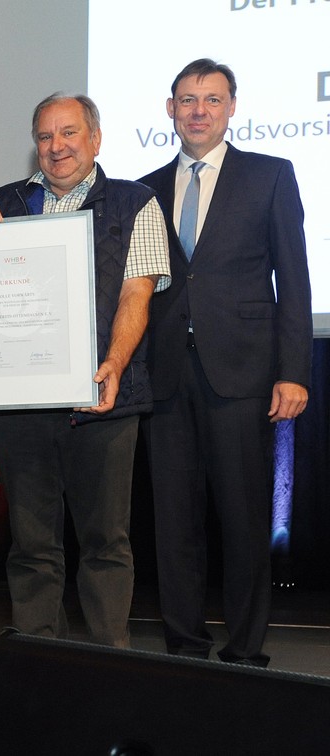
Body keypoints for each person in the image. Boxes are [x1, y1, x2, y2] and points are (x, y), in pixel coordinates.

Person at [0, 94, 170, 648]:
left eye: (69, 133)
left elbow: (136, 295)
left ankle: (108, 665)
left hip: (104, 400)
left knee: (104, 543)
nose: (57, 147)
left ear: (95, 139)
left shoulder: (135, 201)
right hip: (23, 404)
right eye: (46, 137)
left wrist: (114, 364)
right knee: (31, 546)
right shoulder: (7, 201)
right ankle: (40, 662)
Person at [140, 59, 312, 666]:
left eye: (212, 99)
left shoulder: (270, 176)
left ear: (232, 107)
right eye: (187, 99)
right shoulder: (147, 187)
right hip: (164, 376)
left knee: (242, 521)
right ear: (170, 109)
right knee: (174, 523)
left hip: (242, 374)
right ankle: (184, 645)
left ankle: (245, 652)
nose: (199, 110)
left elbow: (294, 280)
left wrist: (294, 371)